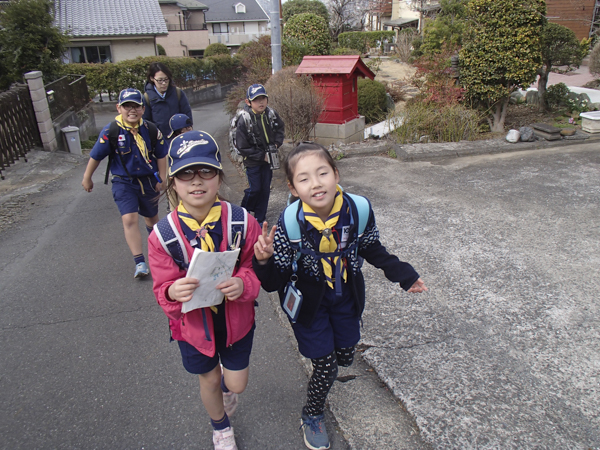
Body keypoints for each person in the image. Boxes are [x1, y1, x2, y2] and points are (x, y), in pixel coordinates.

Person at [253, 142, 428, 450]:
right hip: (308, 304)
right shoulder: (289, 224)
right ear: (293, 188)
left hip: (345, 295)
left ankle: (334, 359)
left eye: (322, 173)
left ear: (336, 174)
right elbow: (272, 282)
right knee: (326, 366)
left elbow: (372, 248)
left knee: (345, 353)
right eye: (304, 178)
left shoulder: (357, 210)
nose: (316, 182)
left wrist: (405, 275)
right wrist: (264, 260)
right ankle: (312, 413)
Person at [148, 130, 261, 450]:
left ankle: (227, 389)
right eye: (185, 174)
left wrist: (243, 283)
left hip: (236, 320)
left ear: (219, 176)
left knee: (235, 384)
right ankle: (220, 428)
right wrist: (173, 293)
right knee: (208, 380)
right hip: (193, 327)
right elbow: (162, 289)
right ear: (173, 182)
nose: (196, 181)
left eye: (205, 171)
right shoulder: (163, 235)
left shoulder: (240, 222)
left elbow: (253, 268)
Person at [82, 88, 167, 279]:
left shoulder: (150, 129)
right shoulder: (111, 131)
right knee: (129, 219)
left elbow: (161, 155)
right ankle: (140, 262)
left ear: (142, 109)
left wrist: (162, 178)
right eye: (127, 106)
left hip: (148, 180)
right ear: (118, 108)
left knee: (152, 218)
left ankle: (160, 255)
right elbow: (96, 155)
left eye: (136, 106)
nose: (132, 110)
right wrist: (87, 177)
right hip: (123, 181)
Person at [235, 83, 285, 225]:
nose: (261, 102)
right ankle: (244, 210)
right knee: (255, 188)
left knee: (265, 189)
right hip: (252, 160)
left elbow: (280, 129)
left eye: (263, 98)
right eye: (256, 99)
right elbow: (242, 146)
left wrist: (276, 144)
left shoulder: (271, 114)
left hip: (269, 159)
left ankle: (260, 216)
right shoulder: (244, 120)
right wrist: (260, 155)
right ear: (248, 102)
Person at [143, 62, 193, 138]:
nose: (164, 83)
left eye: (166, 79)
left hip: (179, 138)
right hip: (159, 140)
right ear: (152, 78)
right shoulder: (147, 97)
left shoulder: (178, 93)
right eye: (160, 80)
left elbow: (187, 115)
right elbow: (146, 122)